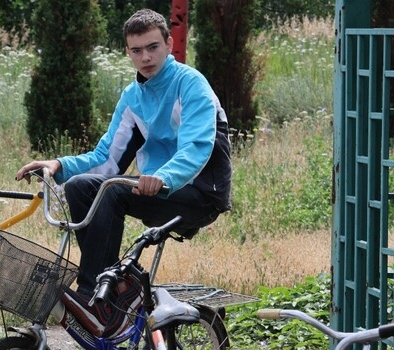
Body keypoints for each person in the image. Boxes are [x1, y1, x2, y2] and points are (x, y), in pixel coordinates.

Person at [16, 8, 232, 311]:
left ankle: (92, 294)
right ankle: (117, 288)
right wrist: (59, 165)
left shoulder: (191, 84)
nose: (146, 57)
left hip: (200, 193)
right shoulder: (133, 97)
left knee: (114, 190)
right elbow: (106, 160)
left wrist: (164, 176)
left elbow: (196, 147)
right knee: (80, 187)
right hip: (153, 190)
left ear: (169, 44)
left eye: (153, 47)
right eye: (137, 50)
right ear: (128, 52)